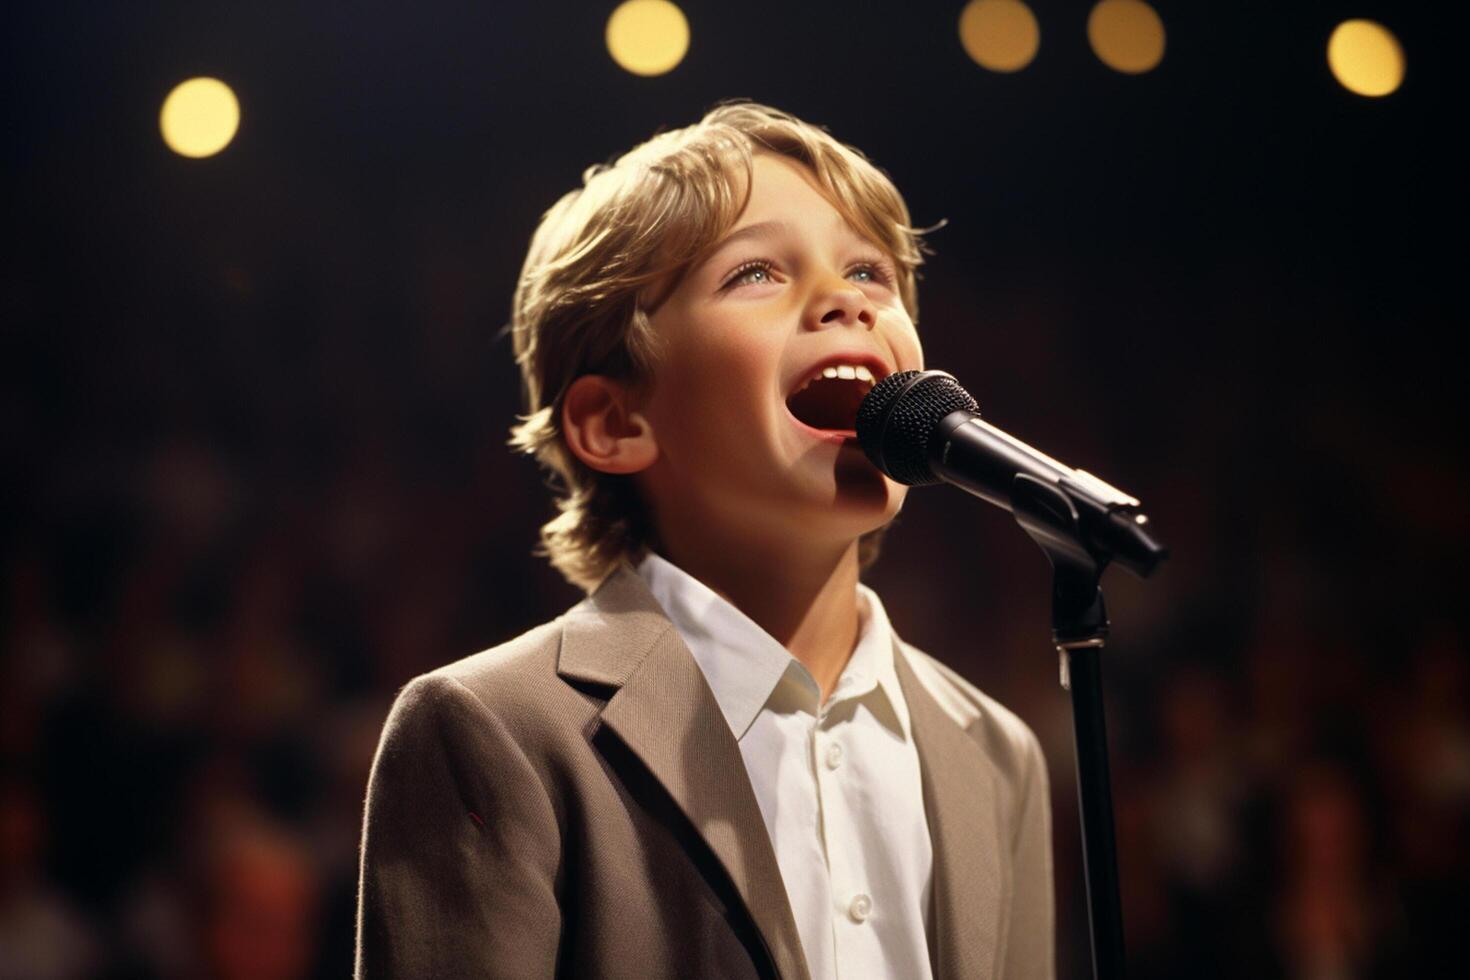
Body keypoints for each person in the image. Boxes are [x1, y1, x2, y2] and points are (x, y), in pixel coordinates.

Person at [355, 100, 1054, 980]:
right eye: (756, 271)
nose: (844, 299)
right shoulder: (498, 731)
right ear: (614, 422)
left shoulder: (995, 753)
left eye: (871, 272)